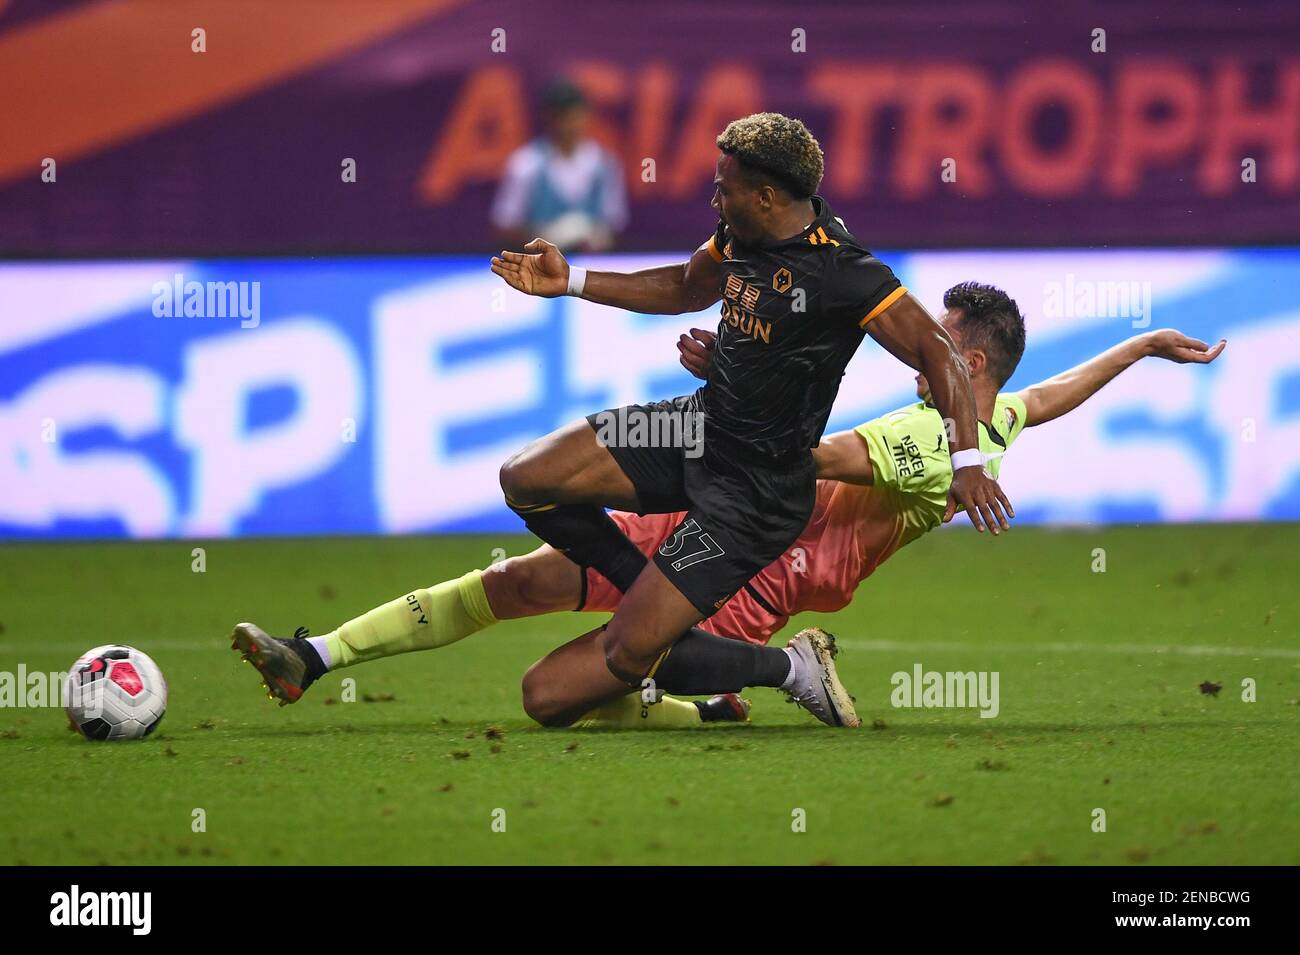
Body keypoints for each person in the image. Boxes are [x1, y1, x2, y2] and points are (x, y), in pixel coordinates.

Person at [231, 288, 1224, 730]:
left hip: (762, 564)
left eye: (934, 341)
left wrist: (735, 381)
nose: (914, 348)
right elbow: (1051, 395)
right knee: (518, 576)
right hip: (727, 509)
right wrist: (1138, 349)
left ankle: (754, 676)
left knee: (551, 696)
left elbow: (805, 449)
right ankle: (313, 659)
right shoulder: (993, 412)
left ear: (964, 363)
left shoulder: (928, 439)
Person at [483, 112, 1011, 729]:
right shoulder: (740, 235)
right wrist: (571, 280)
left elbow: (938, 353)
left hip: (756, 492)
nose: (715, 197)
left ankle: (787, 669)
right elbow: (685, 286)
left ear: (765, 197)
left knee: (551, 694)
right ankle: (639, 585)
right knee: (526, 476)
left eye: (724, 187)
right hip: (692, 430)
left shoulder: (845, 272)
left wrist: (967, 461)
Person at [490, 78, 627, 253]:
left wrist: (596, 236)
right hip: (539, 270)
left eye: (575, 114)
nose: (570, 123)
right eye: (563, 116)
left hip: (591, 270)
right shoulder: (526, 164)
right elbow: (504, 227)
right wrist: (546, 237)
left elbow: (615, 225)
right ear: (549, 118)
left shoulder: (605, 164)